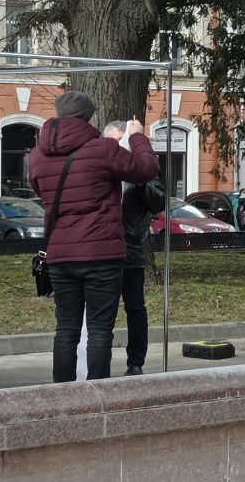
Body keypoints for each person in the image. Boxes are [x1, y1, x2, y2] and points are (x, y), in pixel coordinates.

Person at [28, 91, 158, 383]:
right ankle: (98, 396)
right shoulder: (103, 149)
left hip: (60, 253)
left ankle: (62, 394)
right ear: (90, 117)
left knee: (66, 330)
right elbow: (146, 170)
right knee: (99, 330)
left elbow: (41, 192)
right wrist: (138, 137)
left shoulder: (37, 155)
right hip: (101, 253)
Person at [103, 120, 166, 376]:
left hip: (132, 248)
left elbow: (158, 201)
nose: (120, 150)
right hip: (104, 250)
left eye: (124, 144)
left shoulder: (142, 168)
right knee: (103, 312)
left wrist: (140, 180)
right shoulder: (100, 164)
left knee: (136, 308)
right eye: (115, 144)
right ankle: (98, 365)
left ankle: (136, 362)